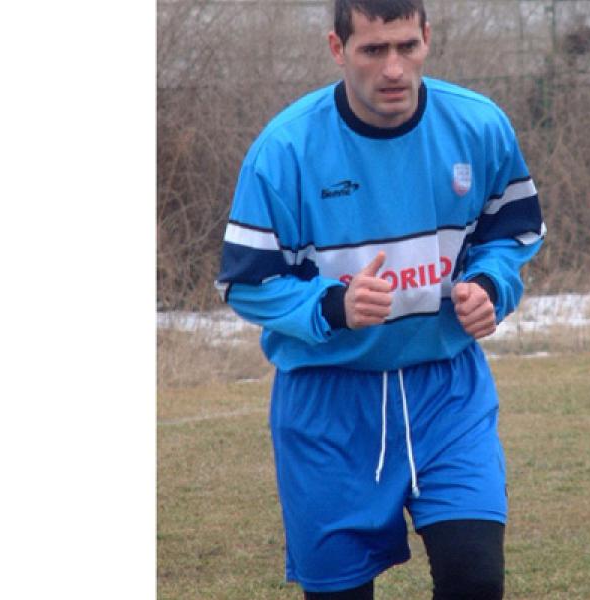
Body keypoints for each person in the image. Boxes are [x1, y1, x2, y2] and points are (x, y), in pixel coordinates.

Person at [215, 1, 545, 597]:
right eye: (372, 50)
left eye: (406, 47)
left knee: (475, 577)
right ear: (337, 49)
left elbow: (512, 234)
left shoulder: (479, 126)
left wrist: (491, 285)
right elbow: (246, 283)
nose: (393, 68)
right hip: (328, 405)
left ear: (427, 38)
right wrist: (331, 307)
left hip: (447, 391)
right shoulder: (285, 149)